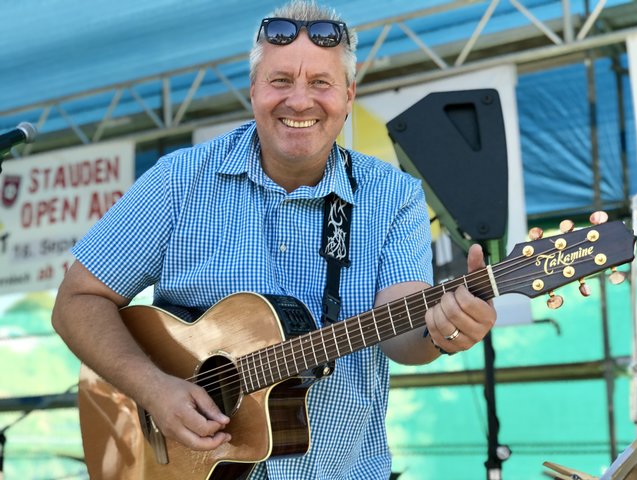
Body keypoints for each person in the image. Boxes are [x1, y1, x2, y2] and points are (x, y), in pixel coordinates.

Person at [52, 0, 497, 478]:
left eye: (321, 83)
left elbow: (403, 334)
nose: (300, 101)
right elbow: (77, 301)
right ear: (253, 90)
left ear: (349, 94)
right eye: (280, 80)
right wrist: (154, 389)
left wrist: (443, 331)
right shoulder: (179, 180)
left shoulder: (393, 195)